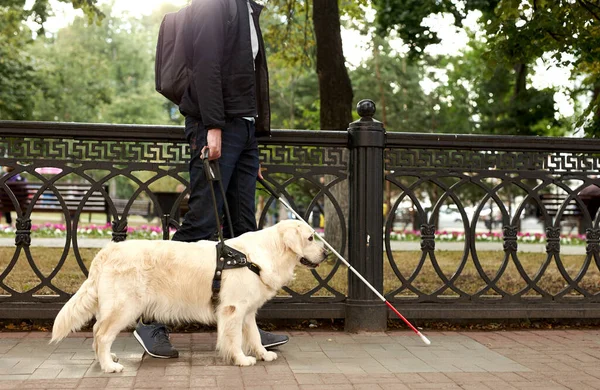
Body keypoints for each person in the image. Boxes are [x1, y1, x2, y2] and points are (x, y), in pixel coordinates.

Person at [134, 0, 288, 359]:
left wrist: (252, 147)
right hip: (217, 126)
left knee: (244, 232)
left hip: (244, 129)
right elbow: (206, 66)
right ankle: (149, 321)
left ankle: (245, 329)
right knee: (201, 223)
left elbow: (245, 76)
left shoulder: (249, 10)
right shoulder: (217, 4)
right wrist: (214, 128)